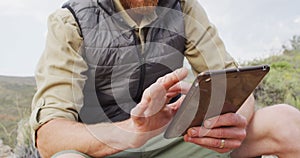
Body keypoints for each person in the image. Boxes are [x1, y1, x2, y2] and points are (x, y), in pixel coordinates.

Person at [30, 0, 300, 157]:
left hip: (170, 139)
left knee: (286, 122)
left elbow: (233, 83)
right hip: (101, 151)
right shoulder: (70, 21)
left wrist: (231, 121)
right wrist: (130, 132)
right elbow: (49, 136)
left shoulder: (184, 7)